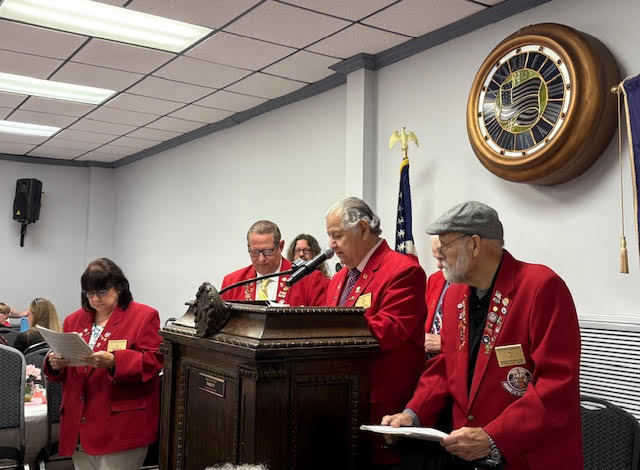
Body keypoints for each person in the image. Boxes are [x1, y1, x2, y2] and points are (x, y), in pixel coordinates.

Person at [382, 201, 582, 469]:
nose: (438, 254)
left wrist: (494, 437)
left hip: (525, 456)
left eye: (445, 245)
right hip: (466, 454)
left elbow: (556, 383)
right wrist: (413, 413)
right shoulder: (455, 295)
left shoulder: (541, 287)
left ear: (475, 245)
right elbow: (445, 367)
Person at [324, 197, 427, 466]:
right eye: (329, 236)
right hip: (341, 398)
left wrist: (325, 326)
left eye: (337, 235)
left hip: (381, 403)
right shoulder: (339, 278)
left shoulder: (403, 270)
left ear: (362, 229)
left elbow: (391, 328)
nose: (331, 244)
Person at [43, 258, 163, 470]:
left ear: (119, 288)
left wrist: (115, 361)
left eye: (102, 292)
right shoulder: (74, 320)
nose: (95, 299)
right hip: (78, 423)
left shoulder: (144, 316)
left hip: (119, 424)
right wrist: (54, 363)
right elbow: (68, 365)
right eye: (89, 294)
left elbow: (153, 362)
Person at [221, 220, 327, 305]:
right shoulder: (231, 283)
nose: (261, 259)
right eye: (254, 252)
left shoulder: (310, 280)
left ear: (280, 246)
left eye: (268, 251)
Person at [424, 237, 449, 355]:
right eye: (436, 258)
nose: (438, 265)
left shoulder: (474, 284)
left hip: (451, 361)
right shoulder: (434, 279)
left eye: (442, 258)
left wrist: (445, 343)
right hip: (426, 361)